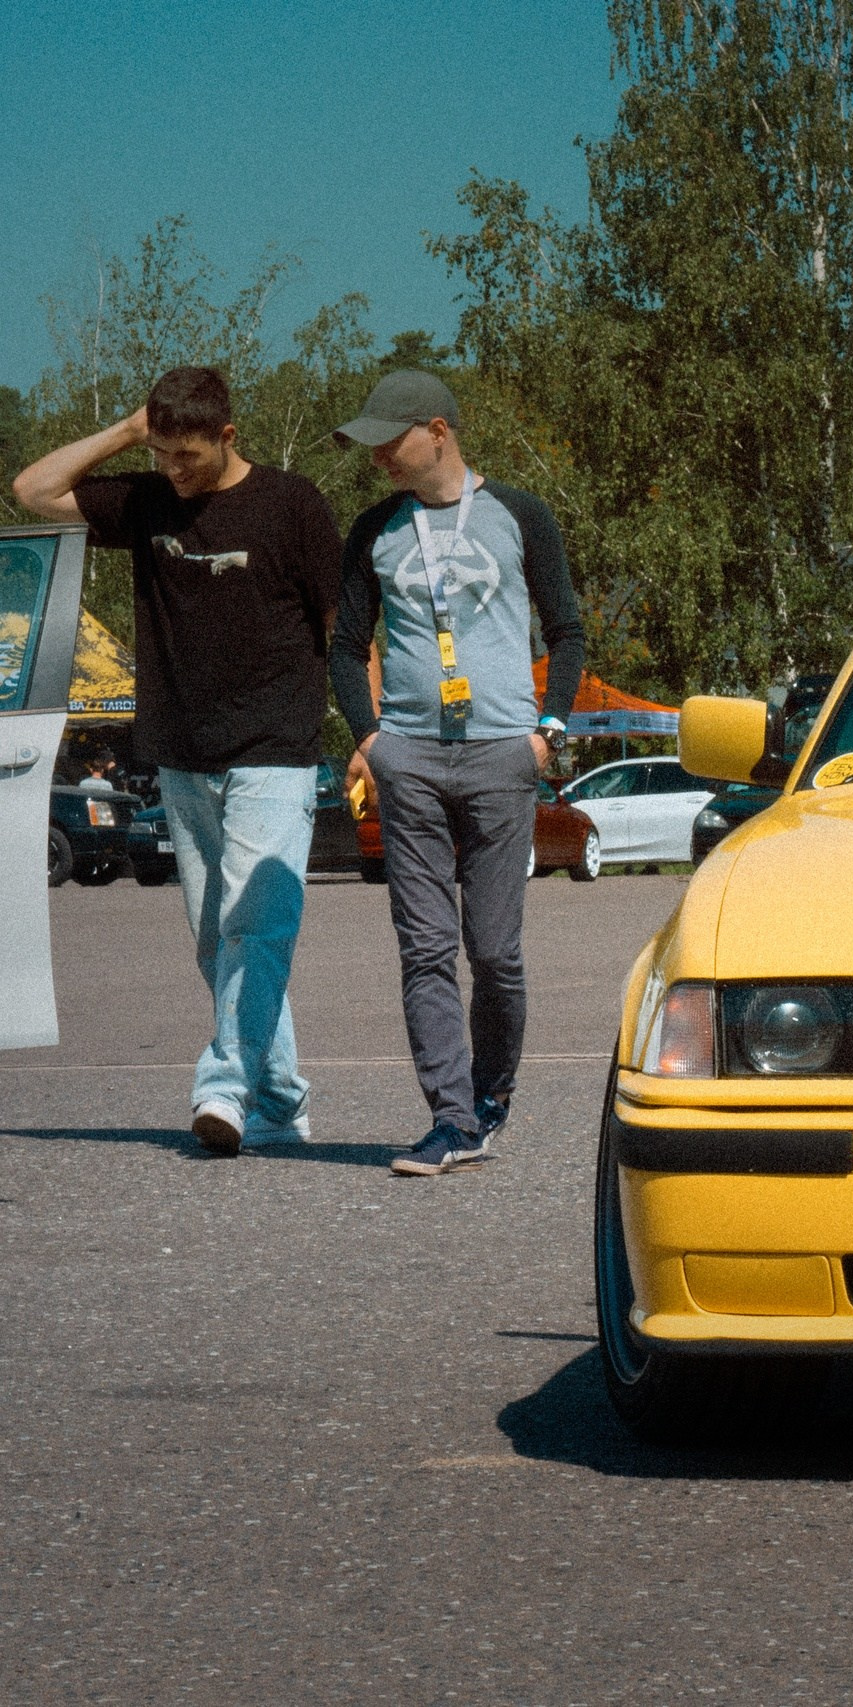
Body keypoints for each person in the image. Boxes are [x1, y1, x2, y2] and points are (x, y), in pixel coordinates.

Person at [11, 366, 342, 1156]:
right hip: (182, 755)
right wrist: (130, 431)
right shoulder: (146, 498)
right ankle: (283, 1097)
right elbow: (33, 488)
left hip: (275, 750)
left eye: (187, 455)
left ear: (228, 435)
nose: (174, 471)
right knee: (212, 938)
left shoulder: (292, 503)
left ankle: (223, 1087)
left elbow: (341, 619)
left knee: (255, 928)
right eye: (162, 453)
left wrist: (366, 734)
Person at [327, 371, 584, 1177]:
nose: (378, 456)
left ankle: (490, 1093)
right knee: (426, 948)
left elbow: (567, 630)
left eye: (389, 439)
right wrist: (372, 739)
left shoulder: (518, 514)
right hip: (410, 757)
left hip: (502, 753)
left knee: (494, 950)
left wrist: (546, 733)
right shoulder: (375, 529)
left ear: (436, 430)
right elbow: (342, 647)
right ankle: (449, 1117)